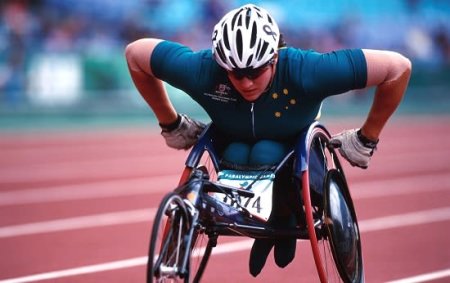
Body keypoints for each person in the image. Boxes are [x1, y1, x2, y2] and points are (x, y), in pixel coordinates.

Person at [125, 3, 411, 277]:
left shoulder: (306, 70)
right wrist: (170, 122)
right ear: (221, 65)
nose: (246, 82)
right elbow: (136, 53)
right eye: (236, 74)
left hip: (293, 149)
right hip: (230, 146)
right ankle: (264, 213)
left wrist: (366, 138)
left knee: (264, 151)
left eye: (255, 72)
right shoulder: (202, 70)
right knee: (240, 150)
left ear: (275, 57)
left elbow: (398, 68)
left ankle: (284, 212)